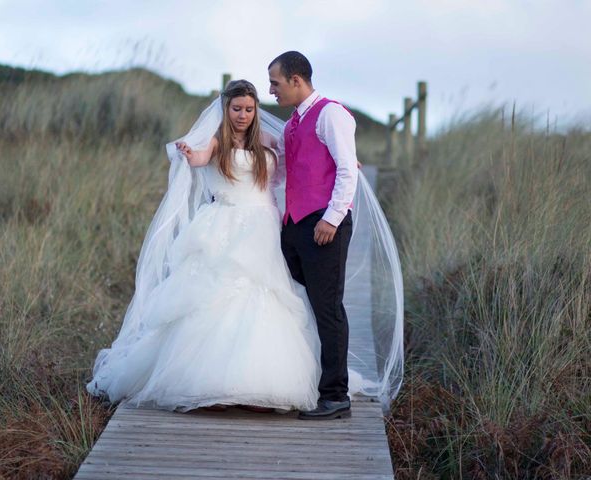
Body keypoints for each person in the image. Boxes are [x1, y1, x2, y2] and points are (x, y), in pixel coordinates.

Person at [86, 78, 404, 417]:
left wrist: (340, 162)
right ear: (226, 109)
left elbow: (297, 160)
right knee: (217, 296)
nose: (243, 114)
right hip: (224, 223)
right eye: (237, 108)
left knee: (265, 296)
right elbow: (200, 158)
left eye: (249, 109)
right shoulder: (216, 141)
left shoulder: (270, 139)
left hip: (263, 225)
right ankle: (214, 381)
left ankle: (264, 383)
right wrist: (190, 154)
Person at [269, 51, 360, 419]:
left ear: (296, 80)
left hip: (325, 225)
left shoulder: (330, 114)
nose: (271, 90)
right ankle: (306, 376)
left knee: (327, 307)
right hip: (295, 226)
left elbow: (346, 170)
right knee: (297, 300)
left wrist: (333, 218)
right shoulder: (293, 123)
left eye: (275, 82)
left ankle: (336, 396)